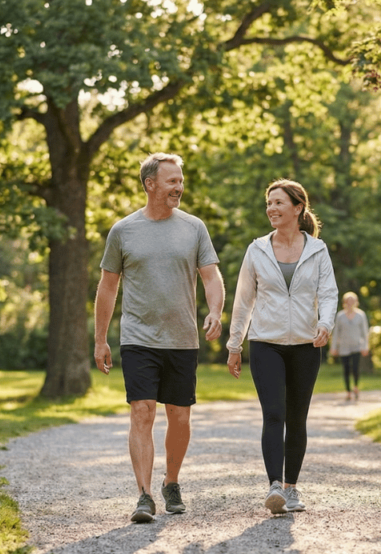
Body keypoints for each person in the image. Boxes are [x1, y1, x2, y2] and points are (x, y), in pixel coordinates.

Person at [94, 152, 225, 524]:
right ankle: (144, 495)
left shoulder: (194, 228)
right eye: (172, 181)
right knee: (142, 411)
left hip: (182, 337)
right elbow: (107, 287)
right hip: (138, 337)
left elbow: (211, 276)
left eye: (180, 181)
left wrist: (216, 311)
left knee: (179, 416)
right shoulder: (123, 231)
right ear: (150, 184)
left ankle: (171, 482)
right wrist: (100, 339)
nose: (179, 187)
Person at [226, 178, 338, 515]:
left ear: (298, 207)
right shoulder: (257, 249)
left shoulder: (317, 250)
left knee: (297, 417)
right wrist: (235, 344)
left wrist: (326, 323)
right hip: (266, 343)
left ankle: (291, 488)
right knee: (274, 414)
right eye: (269, 203)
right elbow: (243, 300)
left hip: (306, 344)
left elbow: (328, 293)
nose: (271, 209)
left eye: (278, 203)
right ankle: (274, 486)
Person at [329, 292, 369, 401]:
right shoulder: (340, 316)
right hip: (344, 347)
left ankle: (355, 386)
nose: (350, 303)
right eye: (348, 301)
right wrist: (333, 347)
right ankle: (348, 391)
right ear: (345, 302)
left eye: (352, 301)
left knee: (355, 368)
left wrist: (365, 346)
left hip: (357, 346)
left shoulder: (361, 315)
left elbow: (365, 332)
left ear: (356, 302)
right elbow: (336, 333)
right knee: (346, 369)